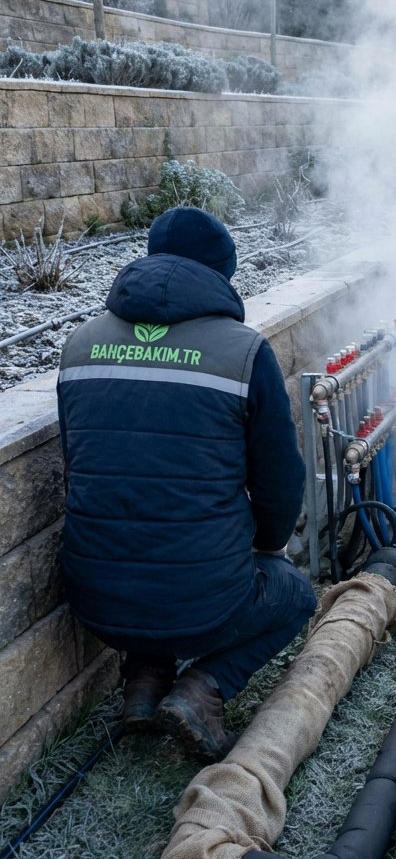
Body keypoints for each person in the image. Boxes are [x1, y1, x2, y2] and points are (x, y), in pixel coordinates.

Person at [56, 206, 317, 760]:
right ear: (222, 273)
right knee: (292, 594)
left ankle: (144, 687)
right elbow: (279, 480)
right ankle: (203, 691)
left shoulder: (79, 347)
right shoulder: (243, 353)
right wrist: (268, 547)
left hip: (93, 597)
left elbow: (86, 468)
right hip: (203, 602)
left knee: (150, 553)